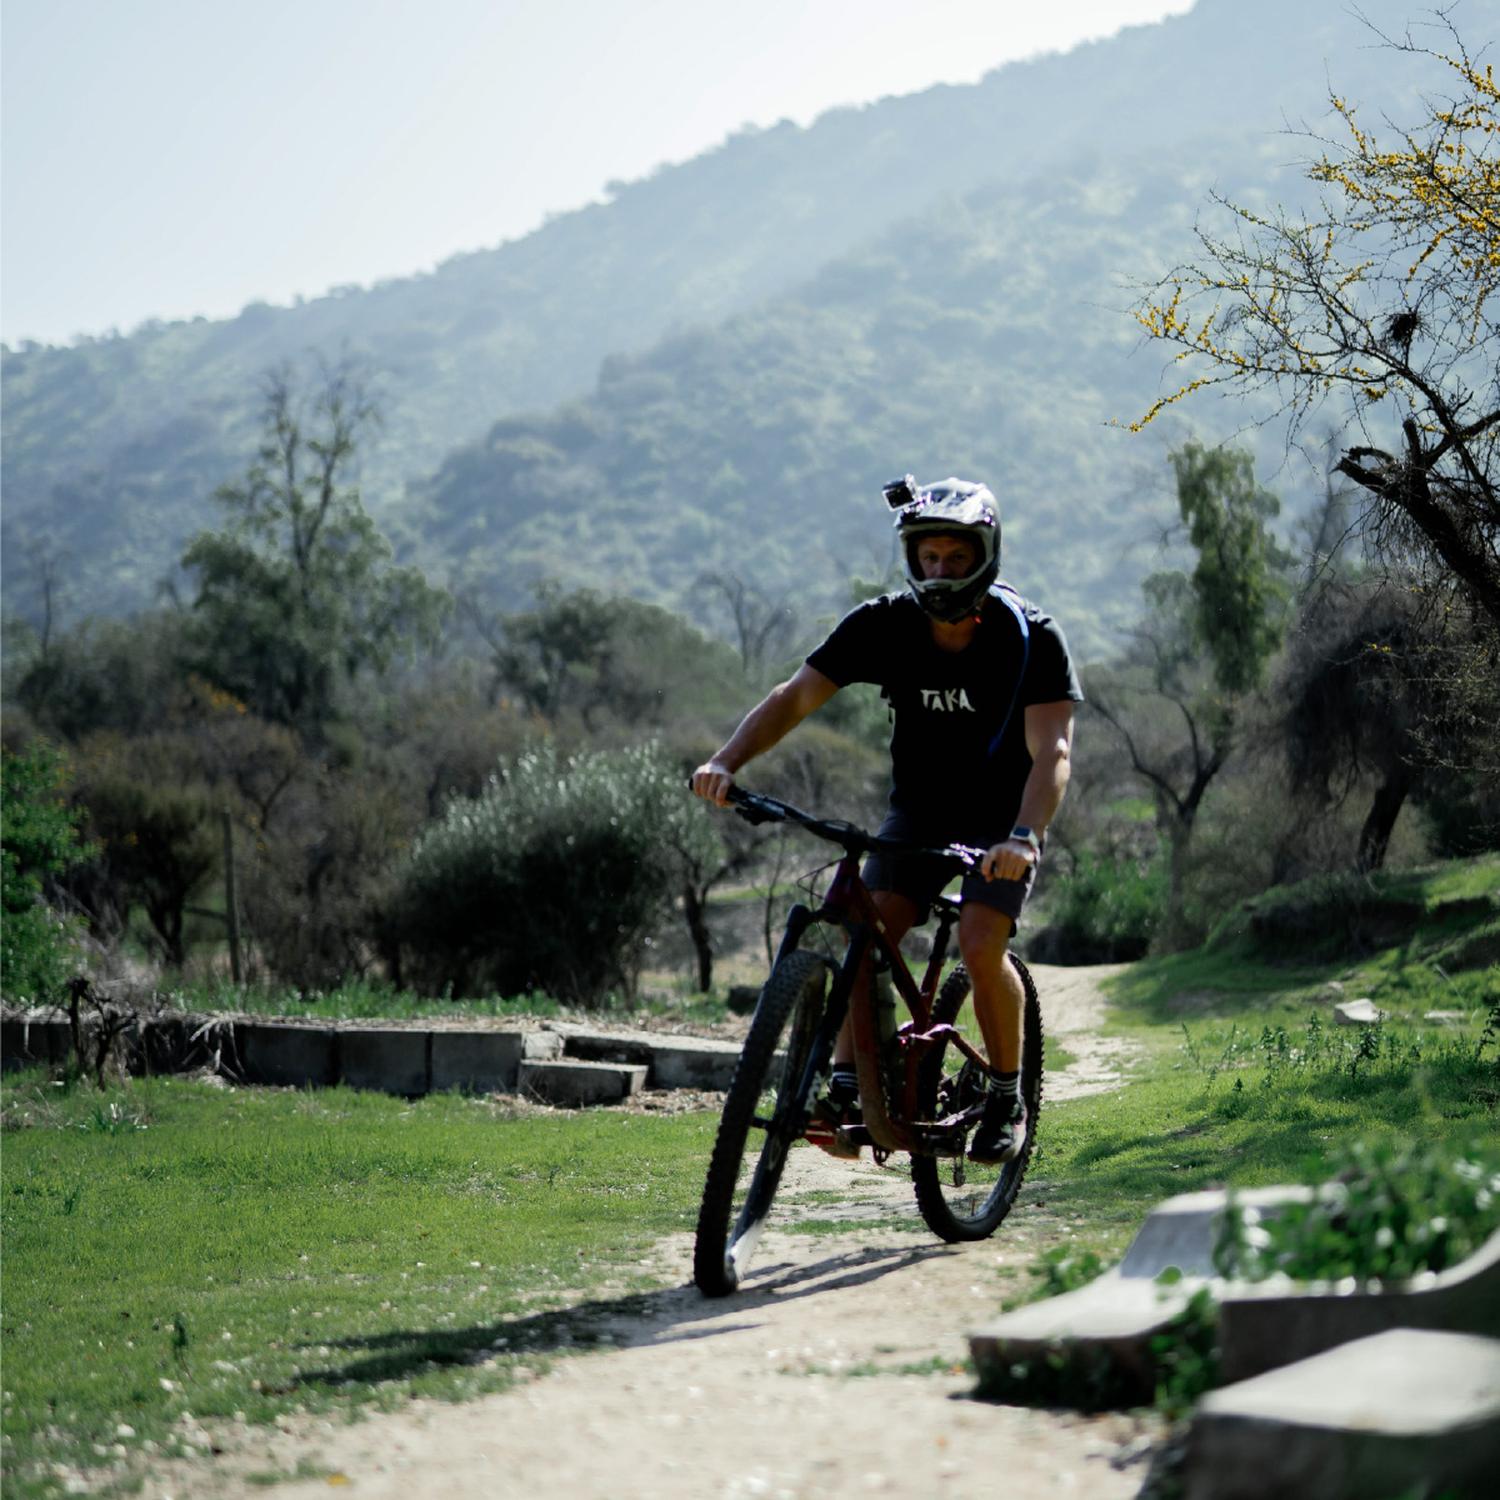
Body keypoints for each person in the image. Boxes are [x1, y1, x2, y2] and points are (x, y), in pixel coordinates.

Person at [691, 475, 1082, 1164]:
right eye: (928, 557)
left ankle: (1005, 1094)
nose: (940, 571)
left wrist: (1024, 837)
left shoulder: (1031, 637)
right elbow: (796, 696)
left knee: (980, 941)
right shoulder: (884, 625)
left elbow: (1052, 750)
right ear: (911, 558)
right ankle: (850, 1084)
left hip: (1004, 818)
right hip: (919, 811)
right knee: (865, 933)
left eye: (956, 558)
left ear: (986, 556)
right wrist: (726, 761)